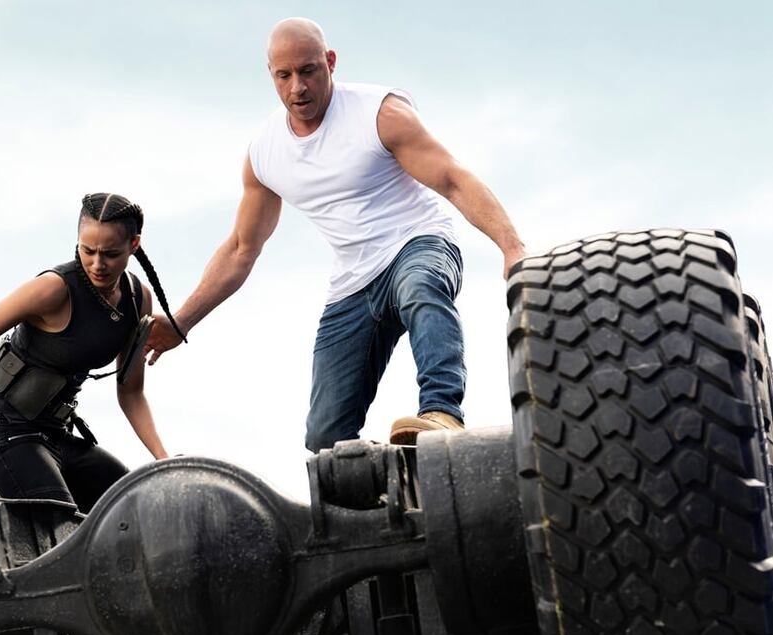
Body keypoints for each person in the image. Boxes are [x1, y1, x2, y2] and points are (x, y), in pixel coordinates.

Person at [144, 18, 526, 452]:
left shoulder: (380, 114)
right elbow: (240, 249)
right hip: (353, 284)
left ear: (330, 62)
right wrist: (180, 321)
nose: (297, 89)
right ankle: (383, 497)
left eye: (308, 71)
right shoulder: (266, 152)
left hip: (418, 243)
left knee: (420, 286)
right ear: (270, 74)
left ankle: (441, 413)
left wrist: (512, 247)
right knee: (325, 439)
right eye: (284, 76)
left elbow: (453, 180)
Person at [0, 193, 187, 512]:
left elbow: (131, 392)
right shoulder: (54, 289)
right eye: (87, 250)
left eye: (110, 254)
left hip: (57, 437)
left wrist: (162, 458)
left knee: (133, 509)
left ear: (134, 246)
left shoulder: (137, 299)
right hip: (4, 433)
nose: (97, 264)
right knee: (63, 524)